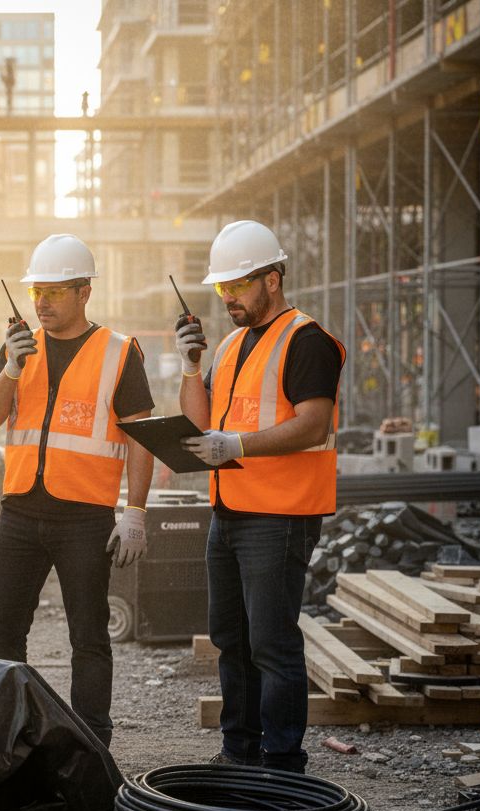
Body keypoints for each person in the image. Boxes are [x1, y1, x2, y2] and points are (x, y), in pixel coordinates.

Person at [176, 220, 345, 773]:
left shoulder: (307, 340)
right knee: (231, 639)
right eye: (222, 288)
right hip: (230, 512)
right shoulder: (228, 344)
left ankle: (282, 765)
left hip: (280, 516)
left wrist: (237, 444)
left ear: (272, 279)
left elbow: (313, 425)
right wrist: (191, 366)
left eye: (238, 286)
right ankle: (239, 751)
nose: (228, 298)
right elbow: (202, 422)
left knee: (272, 644)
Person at [0, 234, 154, 747]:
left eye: (54, 292)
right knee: (3, 637)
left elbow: (141, 437)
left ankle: (93, 745)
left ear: (84, 293)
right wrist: (10, 368)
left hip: (85, 518)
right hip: (19, 514)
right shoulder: (18, 348)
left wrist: (134, 513)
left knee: (90, 639)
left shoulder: (119, 352)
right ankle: (2, 738)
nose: (43, 302)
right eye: (37, 293)